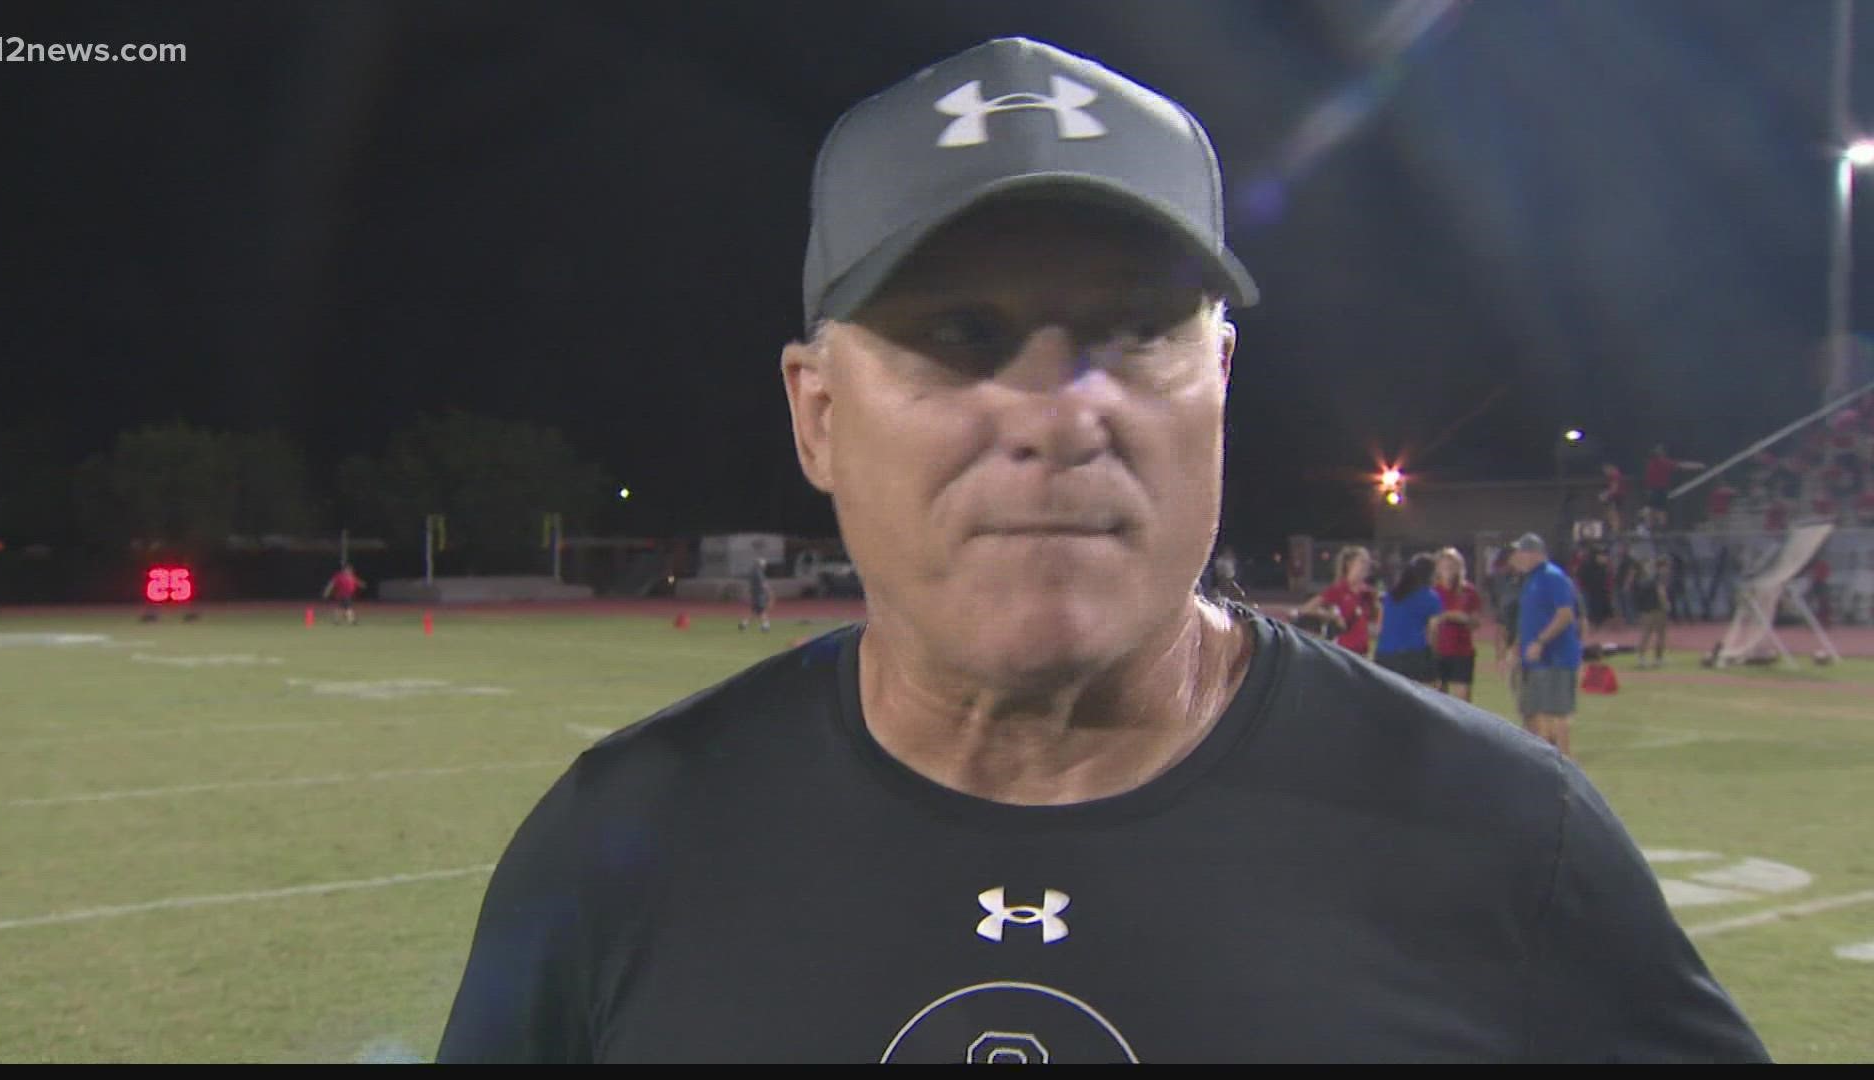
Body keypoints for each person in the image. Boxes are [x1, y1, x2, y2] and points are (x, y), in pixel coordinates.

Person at [438, 38, 1766, 1063]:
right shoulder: (622, 847)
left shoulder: (1513, 847)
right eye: (961, 333)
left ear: (1221, 382)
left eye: (1134, 331)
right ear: (819, 414)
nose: (1062, 413)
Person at [1508, 533, 1584, 759]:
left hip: (1555, 658)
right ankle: (1541, 765)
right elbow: (1530, 619)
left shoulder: (1553, 577)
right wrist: (1518, 648)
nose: (1518, 558)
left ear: (1535, 554)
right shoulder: (1530, 580)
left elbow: (1565, 614)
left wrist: (1541, 641)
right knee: (1532, 714)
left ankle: (1565, 765)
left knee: (1555, 715)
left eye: (1521, 552)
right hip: (1534, 659)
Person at [1294, 545, 1377, 657]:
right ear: (1349, 563)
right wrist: (1331, 616)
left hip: (1363, 654)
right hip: (1344, 652)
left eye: (1368, 562)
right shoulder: (1339, 590)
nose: (1366, 566)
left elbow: (1373, 623)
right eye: (1362, 561)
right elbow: (1307, 609)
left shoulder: (1368, 593)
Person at [1374, 553, 1443, 685]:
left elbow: (1380, 627)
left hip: (1385, 655)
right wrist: (1433, 658)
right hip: (1413, 655)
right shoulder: (1431, 597)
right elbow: (1433, 631)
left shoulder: (1392, 595)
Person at [1432, 546, 1482, 701]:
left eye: (1452, 564)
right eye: (1444, 564)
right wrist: (1446, 616)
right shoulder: (1431, 591)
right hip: (1436, 650)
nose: (1448, 568)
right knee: (1436, 699)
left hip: (1462, 650)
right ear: (1437, 567)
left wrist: (1464, 619)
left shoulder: (1469, 591)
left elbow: (1476, 622)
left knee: (1463, 700)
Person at [1641, 443, 1706, 531]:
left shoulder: (1652, 462)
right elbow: (1682, 465)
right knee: (1659, 511)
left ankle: (1653, 529)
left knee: (1652, 510)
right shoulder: (1662, 462)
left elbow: (1681, 465)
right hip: (1659, 490)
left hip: (1654, 490)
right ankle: (1656, 529)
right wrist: (1698, 465)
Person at [1630, 559, 1670, 669]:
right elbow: (1660, 591)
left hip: (1645, 609)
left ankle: (1641, 659)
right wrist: (1666, 604)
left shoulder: (1642, 578)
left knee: (1646, 634)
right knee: (1660, 634)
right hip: (1657, 608)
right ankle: (1658, 659)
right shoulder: (1658, 577)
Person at [739, 556, 772, 632]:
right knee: (761, 610)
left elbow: (751, 584)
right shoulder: (759, 572)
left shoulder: (753, 572)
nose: (764, 566)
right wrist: (769, 592)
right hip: (759, 594)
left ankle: (744, 624)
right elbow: (763, 584)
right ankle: (766, 625)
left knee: (754, 610)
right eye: (763, 564)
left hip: (755, 594)